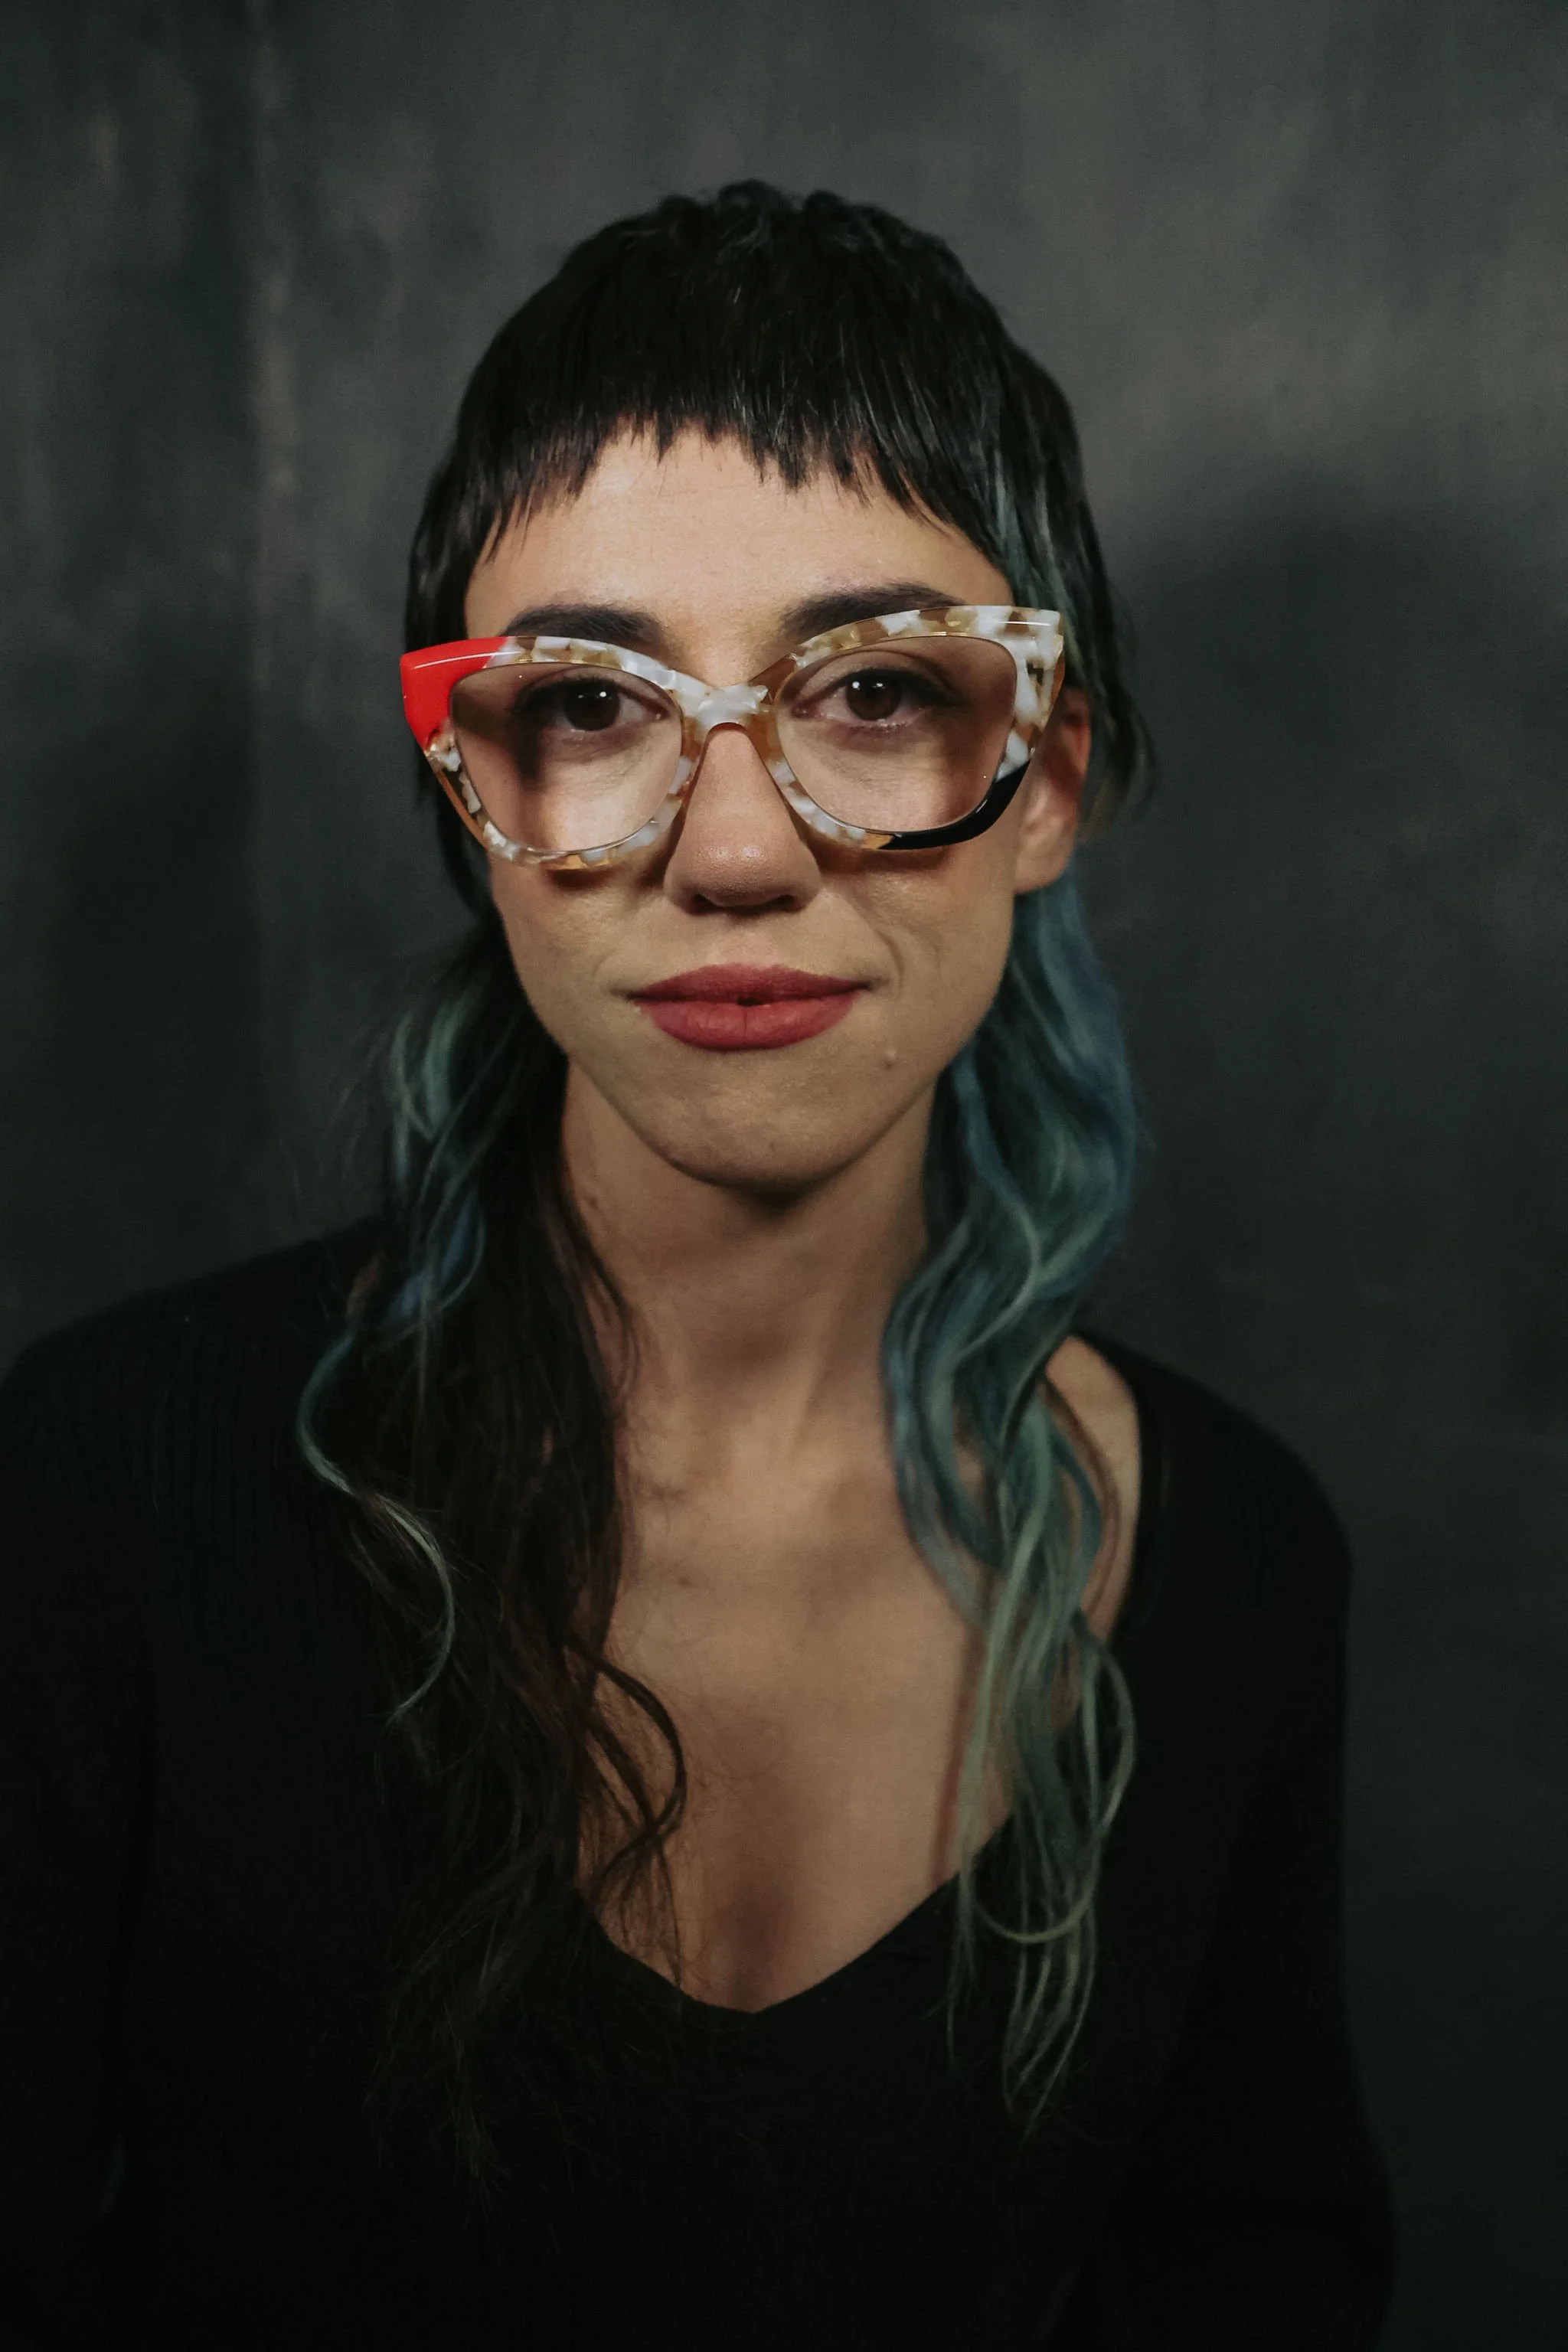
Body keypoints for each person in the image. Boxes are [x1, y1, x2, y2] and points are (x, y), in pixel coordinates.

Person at [0, 184, 1396, 2349]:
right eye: (590, 701)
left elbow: (1254, 2268)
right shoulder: (96, 1494)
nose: (735, 852)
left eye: (869, 691)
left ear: (1047, 784)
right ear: (472, 786)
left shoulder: (1231, 1566)